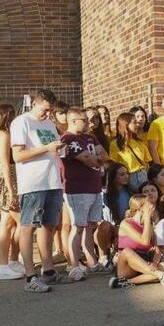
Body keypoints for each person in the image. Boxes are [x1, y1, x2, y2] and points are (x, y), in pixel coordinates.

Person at [10, 89, 68, 292]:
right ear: (35, 104)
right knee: (28, 226)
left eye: (50, 110)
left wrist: (59, 148)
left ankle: (49, 271)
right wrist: (47, 148)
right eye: (44, 110)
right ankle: (30, 277)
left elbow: (52, 148)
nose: (47, 114)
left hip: (52, 181)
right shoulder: (22, 122)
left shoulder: (49, 123)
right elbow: (18, 155)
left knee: (49, 225)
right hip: (34, 182)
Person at [60, 108, 110, 281]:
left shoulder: (90, 137)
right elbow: (87, 158)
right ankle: (74, 266)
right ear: (73, 120)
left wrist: (98, 160)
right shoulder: (68, 138)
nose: (88, 123)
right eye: (84, 120)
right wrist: (97, 161)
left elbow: (104, 154)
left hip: (94, 186)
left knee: (89, 225)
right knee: (78, 226)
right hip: (77, 188)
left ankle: (92, 263)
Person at [0, 103, 26, 280]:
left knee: (10, 223)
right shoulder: (3, 135)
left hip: (12, 179)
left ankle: (12, 261)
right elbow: (4, 163)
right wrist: (11, 191)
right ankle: (4, 265)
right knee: (22, 223)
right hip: (9, 180)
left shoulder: (0, 134)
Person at [109, 194, 164, 289]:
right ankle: (161, 275)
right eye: (149, 204)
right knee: (127, 251)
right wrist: (147, 217)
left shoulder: (149, 226)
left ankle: (126, 282)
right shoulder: (126, 223)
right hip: (127, 265)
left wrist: (155, 262)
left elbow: (157, 249)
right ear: (139, 208)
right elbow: (144, 241)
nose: (153, 206)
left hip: (144, 264)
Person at [109, 112, 151, 190]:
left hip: (142, 174)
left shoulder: (139, 142)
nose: (137, 125)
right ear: (126, 124)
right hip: (127, 176)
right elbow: (114, 164)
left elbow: (147, 162)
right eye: (134, 122)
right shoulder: (115, 144)